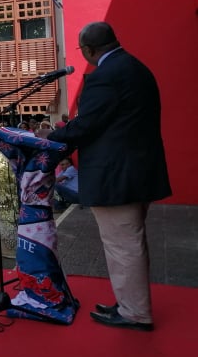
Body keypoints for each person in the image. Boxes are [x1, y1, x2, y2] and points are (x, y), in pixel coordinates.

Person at [48, 21, 171, 332]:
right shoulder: (136, 68)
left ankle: (134, 312)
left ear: (89, 50)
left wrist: (53, 140)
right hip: (137, 172)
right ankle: (130, 302)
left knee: (123, 245)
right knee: (130, 242)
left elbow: (89, 123)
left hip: (117, 177)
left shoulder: (105, 76)